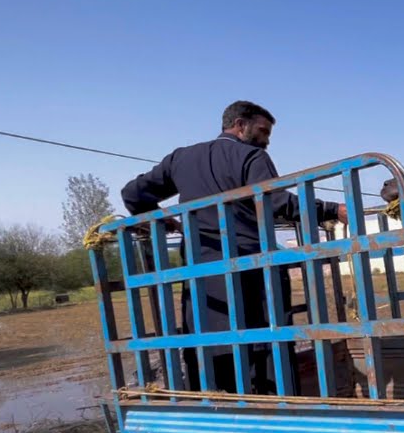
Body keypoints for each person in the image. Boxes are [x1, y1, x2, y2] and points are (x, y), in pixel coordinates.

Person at [121, 100, 347, 394]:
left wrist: (157, 218)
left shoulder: (181, 158)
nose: (266, 140)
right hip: (251, 266)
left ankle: (217, 411)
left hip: (201, 273)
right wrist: (331, 209)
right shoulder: (252, 156)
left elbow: (132, 194)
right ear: (240, 125)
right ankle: (276, 407)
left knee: (207, 343)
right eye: (263, 131)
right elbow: (276, 202)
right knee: (267, 340)